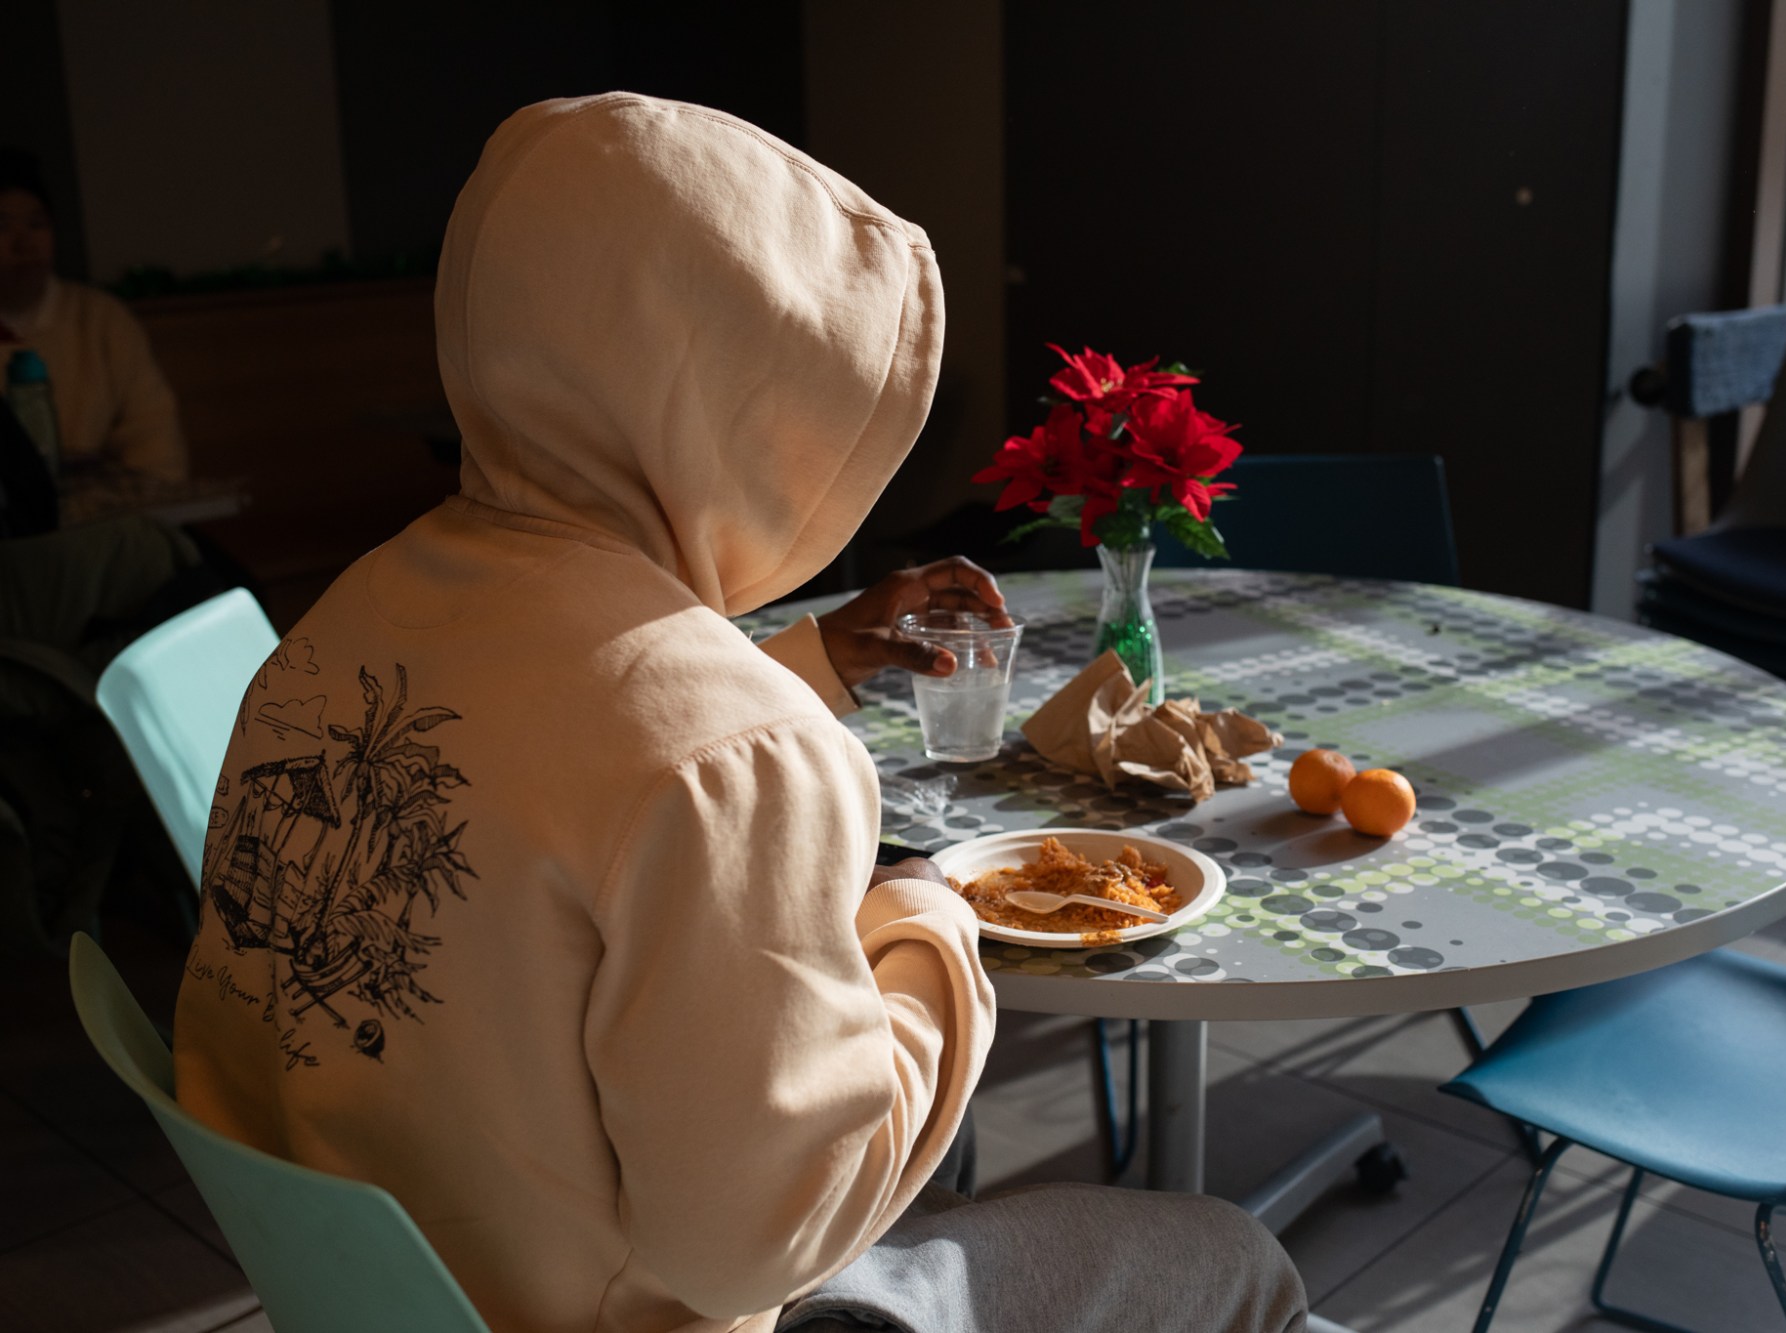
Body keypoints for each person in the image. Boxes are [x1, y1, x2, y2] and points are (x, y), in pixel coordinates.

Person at [172, 94, 1308, 1333]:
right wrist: (930, 922)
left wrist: (806, 660)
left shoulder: (346, 620)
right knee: (1230, 1258)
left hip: (381, 1302)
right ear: (745, 410)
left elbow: (568, 757)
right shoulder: (735, 753)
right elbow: (761, 1243)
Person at [0, 147, 188, 505]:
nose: (23, 244)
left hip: (104, 515)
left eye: (36, 225)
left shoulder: (101, 320)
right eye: (2, 227)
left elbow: (153, 437)